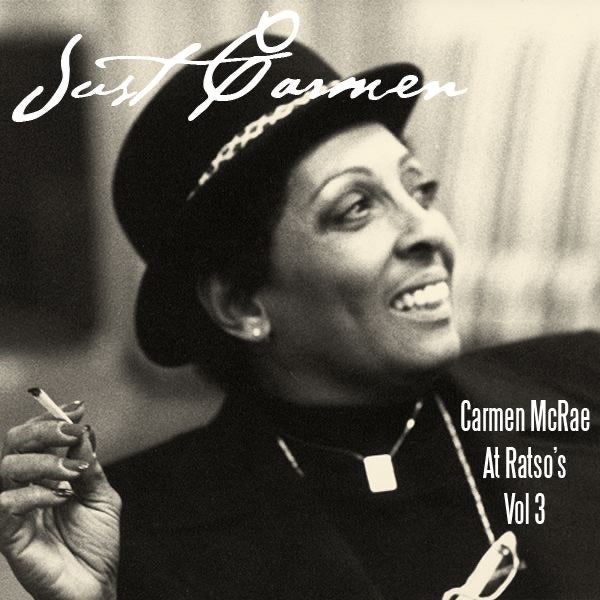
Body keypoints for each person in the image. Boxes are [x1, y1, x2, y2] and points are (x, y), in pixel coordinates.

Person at [1, 31, 599, 600]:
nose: (428, 231)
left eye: (419, 190)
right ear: (241, 305)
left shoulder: (580, 385)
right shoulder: (138, 530)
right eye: (357, 207)